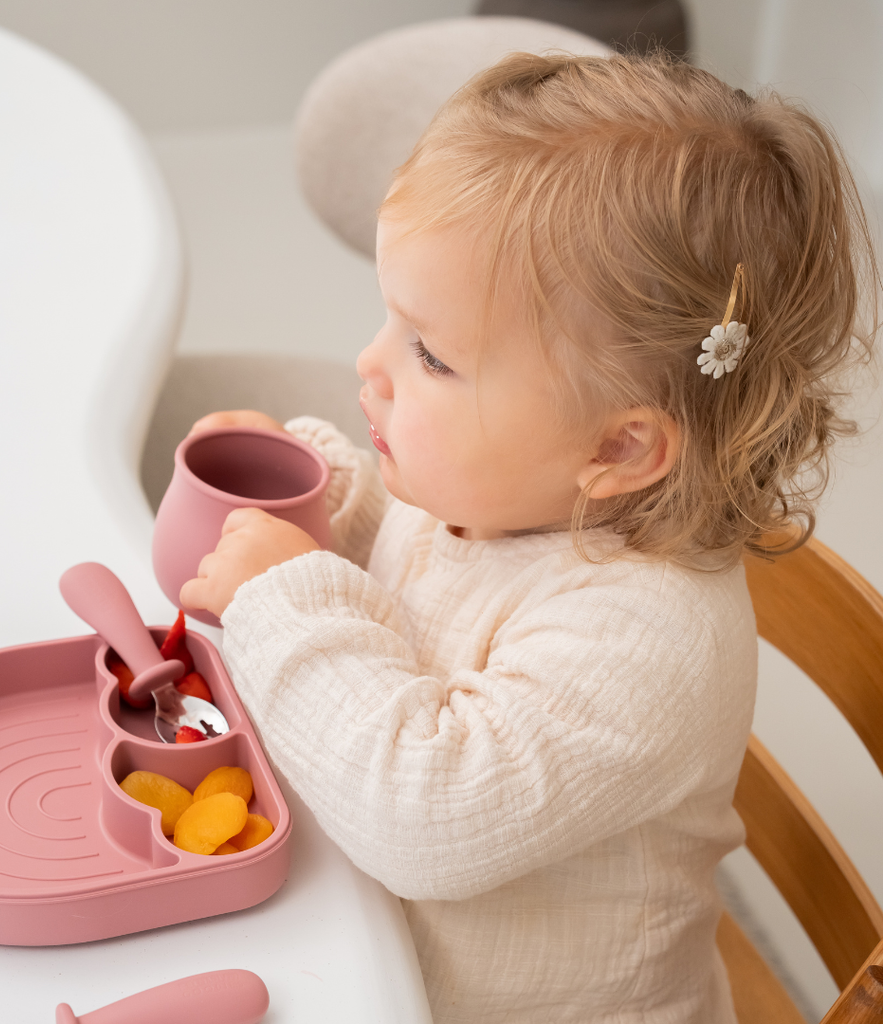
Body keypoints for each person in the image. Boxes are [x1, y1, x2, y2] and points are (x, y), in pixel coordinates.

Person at [178, 52, 878, 1024]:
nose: (370, 364)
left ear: (621, 444)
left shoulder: (645, 636)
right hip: (379, 952)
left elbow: (422, 814)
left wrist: (286, 598)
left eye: (428, 352)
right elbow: (431, 585)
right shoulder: (523, 482)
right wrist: (328, 504)